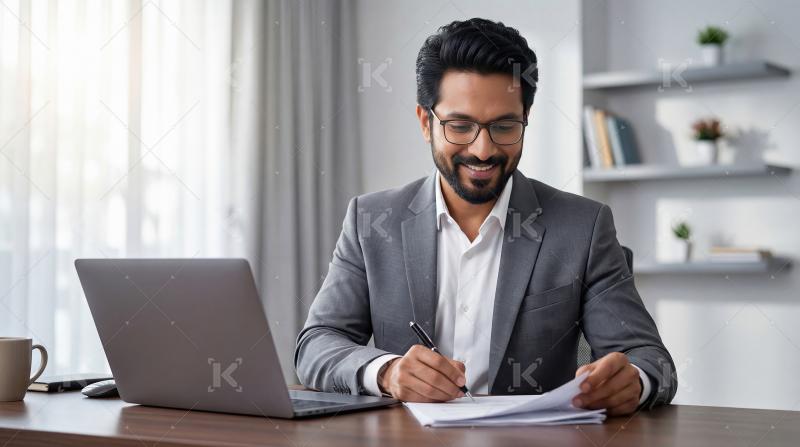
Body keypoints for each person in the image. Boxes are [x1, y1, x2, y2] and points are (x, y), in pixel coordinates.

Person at [295, 18, 676, 416]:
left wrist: (634, 379)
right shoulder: (371, 221)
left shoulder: (583, 226)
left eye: (504, 126)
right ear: (426, 123)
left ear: (525, 120)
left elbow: (655, 362)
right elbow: (317, 344)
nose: (482, 150)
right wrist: (386, 372)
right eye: (460, 126)